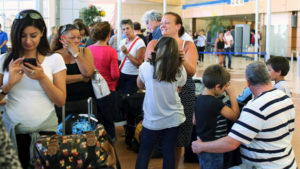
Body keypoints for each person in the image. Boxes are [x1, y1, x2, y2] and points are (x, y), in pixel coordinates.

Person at [192, 61, 297, 169]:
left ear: (248, 82)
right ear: (268, 77)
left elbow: (230, 143)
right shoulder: (285, 98)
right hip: (288, 163)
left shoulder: (255, 108)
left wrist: (200, 146)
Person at [0, 9, 66, 169]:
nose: (28, 41)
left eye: (33, 35)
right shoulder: (4, 61)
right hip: (13, 133)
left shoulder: (54, 59)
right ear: (15, 34)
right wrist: (8, 85)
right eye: (23, 36)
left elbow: (60, 100)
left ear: (42, 32)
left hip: (46, 131)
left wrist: (42, 78)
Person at [145, 12, 198, 169]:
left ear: (178, 26)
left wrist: (182, 59)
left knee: (179, 138)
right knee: (154, 134)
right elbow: (146, 67)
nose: (162, 25)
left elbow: (191, 71)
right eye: (161, 22)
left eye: (167, 22)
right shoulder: (153, 43)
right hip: (158, 93)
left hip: (183, 92)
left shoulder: (187, 45)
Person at [135, 36, 187, 169]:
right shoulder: (180, 69)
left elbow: (140, 85)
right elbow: (180, 86)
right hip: (174, 117)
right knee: (168, 151)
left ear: (156, 50)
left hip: (152, 118)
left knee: (145, 152)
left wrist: (148, 60)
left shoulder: (146, 66)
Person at [194, 64, 239, 169]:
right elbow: (234, 116)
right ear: (217, 86)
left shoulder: (199, 99)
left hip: (202, 146)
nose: (225, 90)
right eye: (224, 87)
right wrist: (232, 95)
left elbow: (194, 121)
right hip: (214, 148)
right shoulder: (216, 103)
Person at [50, 24, 94, 120]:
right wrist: (82, 78)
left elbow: (88, 73)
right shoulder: (55, 55)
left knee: (85, 131)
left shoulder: (85, 52)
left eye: (79, 37)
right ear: (63, 38)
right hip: (63, 102)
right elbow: (55, 79)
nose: (77, 40)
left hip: (84, 100)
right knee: (64, 132)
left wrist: (75, 53)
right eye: (72, 38)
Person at [88, 21, 120, 140]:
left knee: (95, 117)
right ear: (108, 35)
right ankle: (111, 141)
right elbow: (115, 74)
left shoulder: (88, 49)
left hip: (92, 88)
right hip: (107, 89)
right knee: (108, 118)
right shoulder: (111, 51)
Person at [119, 19, 145, 94]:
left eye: (127, 28)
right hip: (122, 73)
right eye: (123, 29)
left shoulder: (140, 43)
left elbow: (139, 63)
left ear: (132, 28)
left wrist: (127, 53)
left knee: (129, 99)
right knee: (120, 97)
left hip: (132, 76)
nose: (126, 31)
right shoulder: (122, 42)